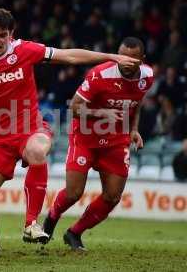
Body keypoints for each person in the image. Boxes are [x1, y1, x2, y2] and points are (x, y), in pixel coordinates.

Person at [0, 8, 140, 257]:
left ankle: (31, 224)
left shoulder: (24, 50)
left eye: (2, 35)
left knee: (37, 151)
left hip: (31, 128)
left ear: (11, 35)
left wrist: (113, 57)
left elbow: (68, 56)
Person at [43, 37, 154, 251]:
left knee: (112, 196)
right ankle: (53, 215)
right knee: (74, 193)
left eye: (133, 59)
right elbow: (74, 108)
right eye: (123, 57)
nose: (127, 62)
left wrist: (133, 129)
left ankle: (74, 233)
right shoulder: (99, 74)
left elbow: (137, 103)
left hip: (116, 139)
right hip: (86, 137)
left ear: (142, 60)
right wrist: (101, 112)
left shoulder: (148, 76)